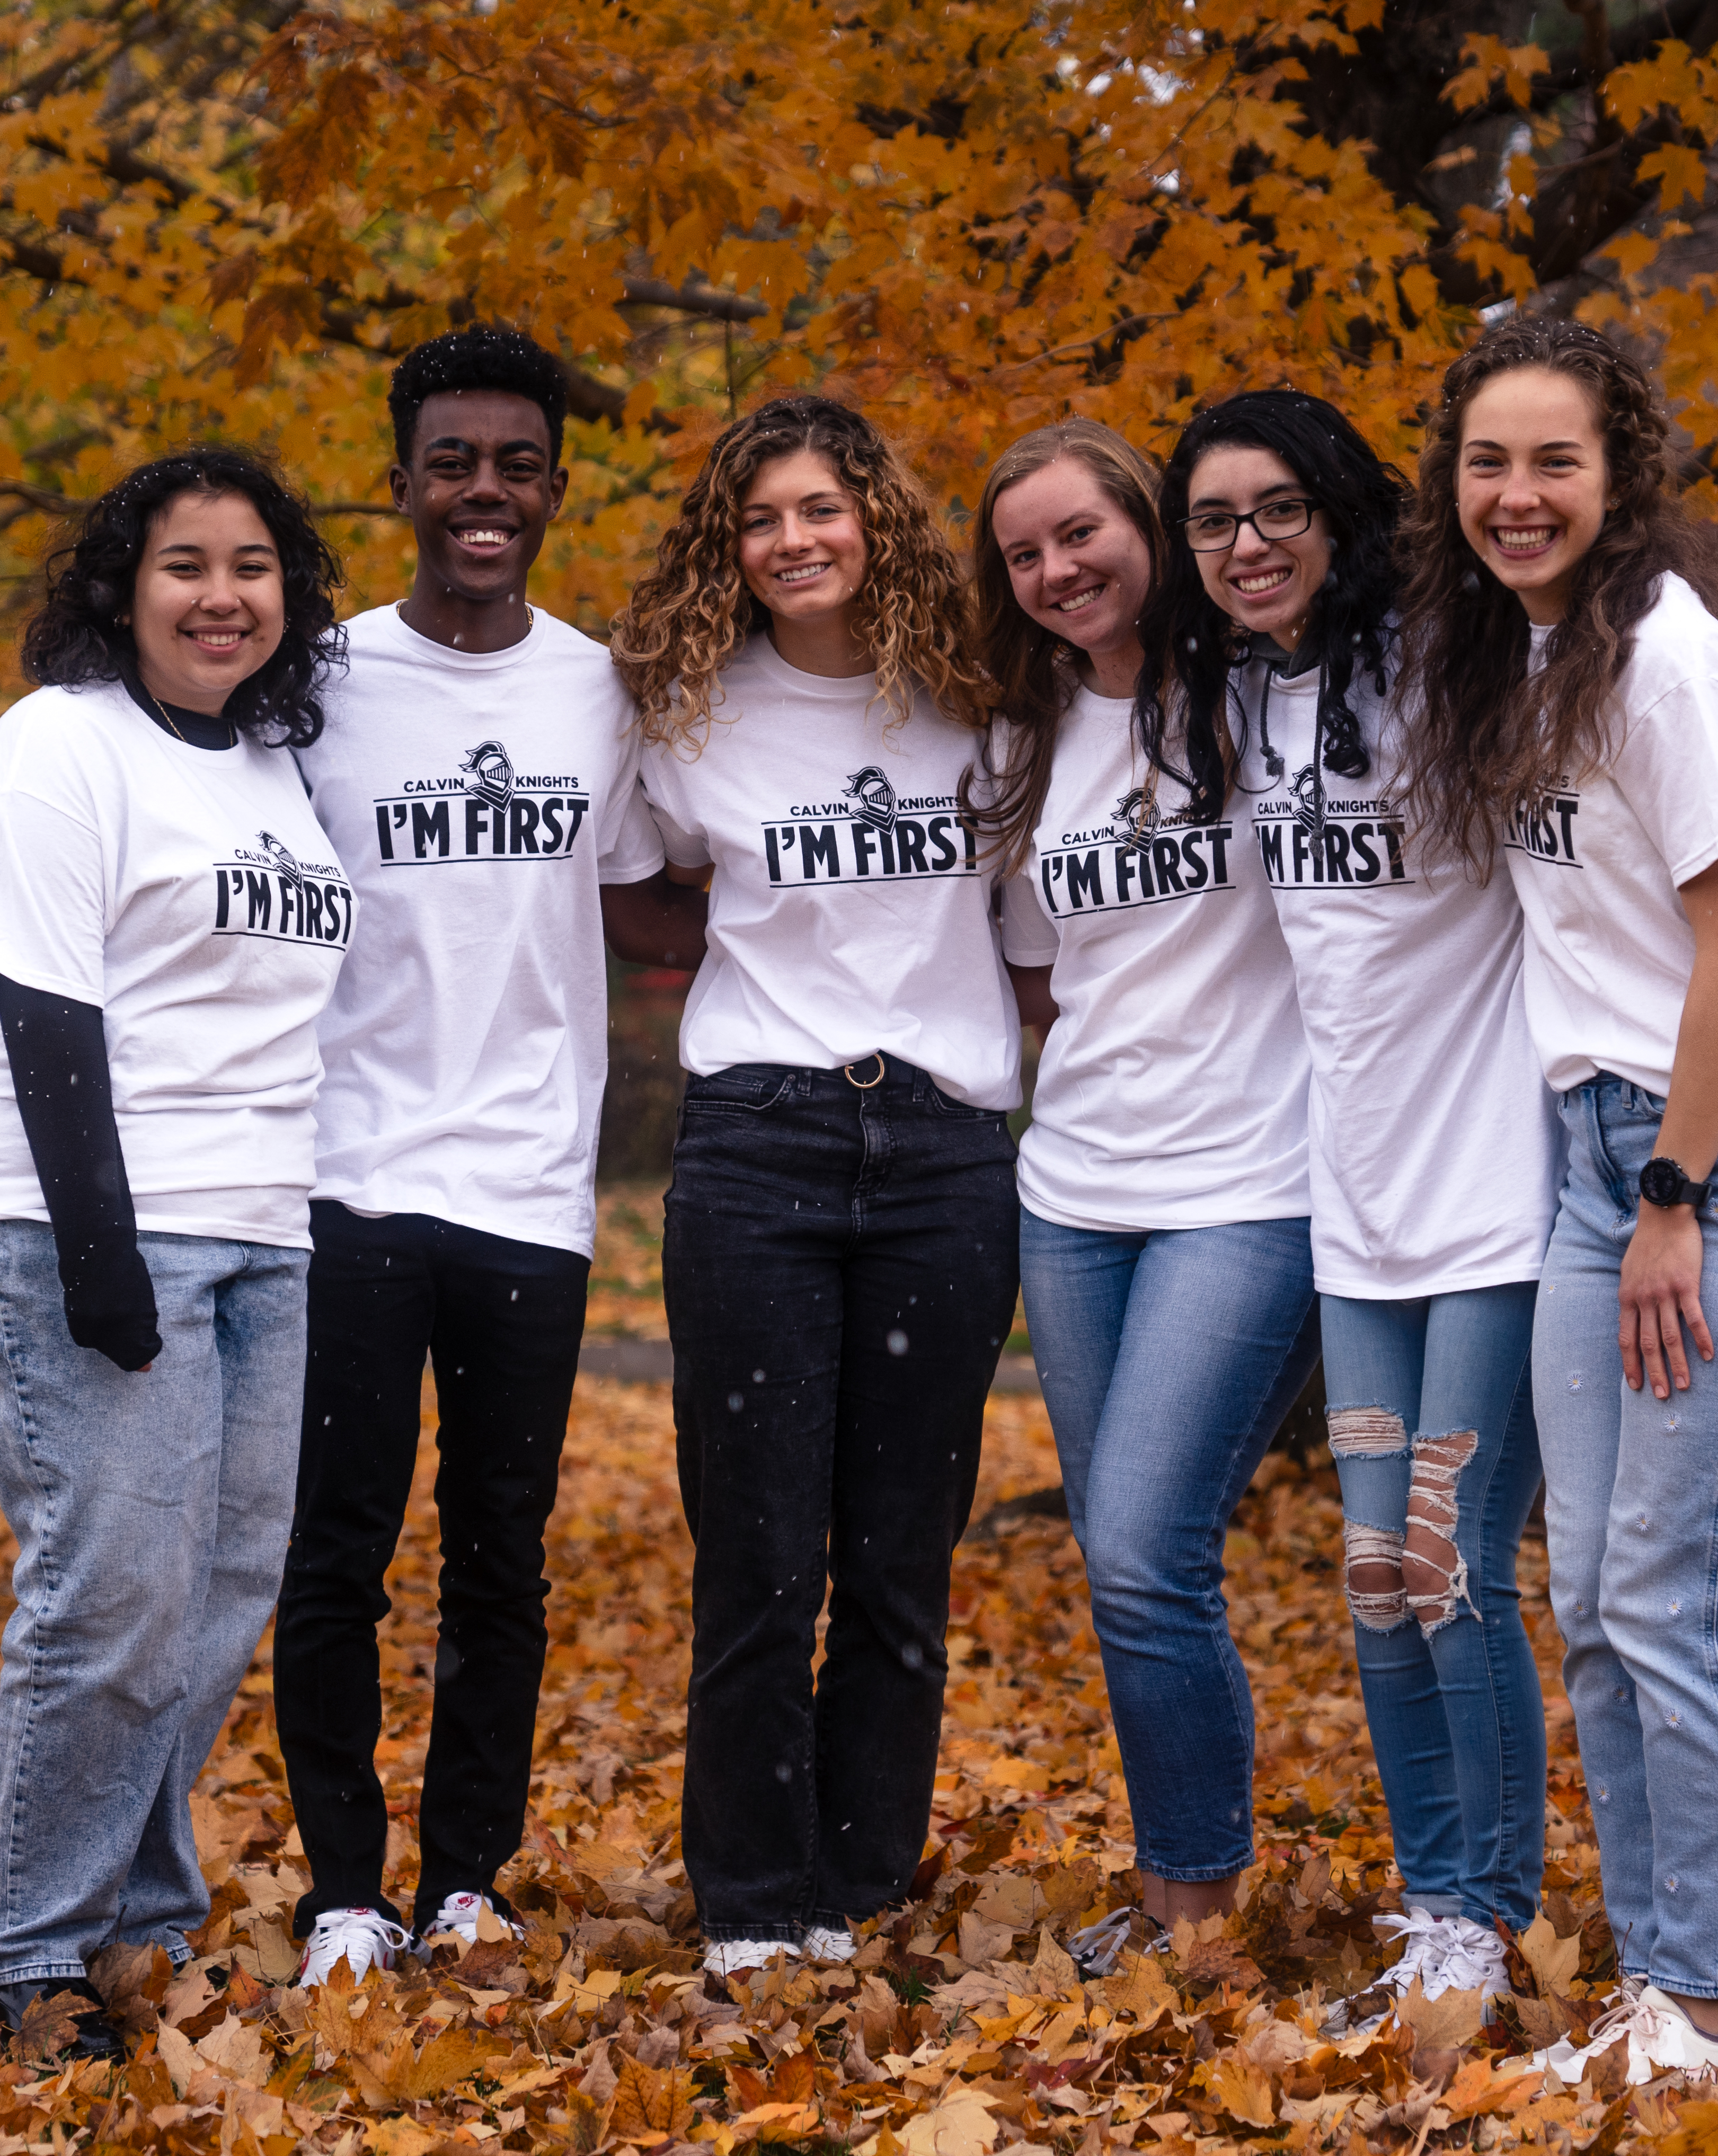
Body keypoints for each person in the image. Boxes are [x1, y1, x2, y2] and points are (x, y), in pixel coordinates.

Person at [1402, 314, 1718, 2085]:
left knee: (1677, 1593)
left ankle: (1707, 2005)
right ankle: (1664, 1985)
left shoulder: (1667, 665)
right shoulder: (1518, 661)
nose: (1516, 495)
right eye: (1486, 462)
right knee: (1597, 1596)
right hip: (1605, 1162)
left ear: (1618, 480)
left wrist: (1672, 1187)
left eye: (1553, 462)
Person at [276, 327, 706, 1991]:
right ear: (401, 480)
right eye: (452, 460)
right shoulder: (315, 683)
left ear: (551, 487)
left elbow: (653, 894)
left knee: (498, 1556)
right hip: (351, 1175)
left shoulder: (597, 691)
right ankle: (339, 1891)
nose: (483, 491)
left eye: (515, 464)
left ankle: (465, 1878)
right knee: (337, 1551)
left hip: (530, 1183)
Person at [0, 445, 354, 2059]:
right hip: (69, 1219)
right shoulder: (57, 745)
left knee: (218, 1594)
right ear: (123, 588)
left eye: (254, 566)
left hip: (256, 1224)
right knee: (108, 1592)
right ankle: (31, 1955)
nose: (223, 595)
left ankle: (143, 1924)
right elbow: (44, 1003)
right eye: (186, 564)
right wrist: (102, 1261)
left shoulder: (266, 770)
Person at [1134, 390, 1560, 2028]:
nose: (1245, 546)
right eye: (1214, 521)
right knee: (1377, 1576)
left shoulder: (1454, 670)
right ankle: (1432, 1899)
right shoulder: (1231, 700)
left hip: (1498, 1203)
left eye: (1277, 511)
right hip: (1358, 1214)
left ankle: (1487, 1913)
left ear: (1341, 514)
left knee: (1452, 1569)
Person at [607, 394, 1018, 1983]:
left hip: (940, 1159)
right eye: (761, 517)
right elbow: (637, 894)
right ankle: (757, 1898)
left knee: (902, 1552)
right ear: (732, 544)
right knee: (761, 1550)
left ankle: (860, 1880)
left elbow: (1031, 936)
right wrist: (747, 972)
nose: (793, 540)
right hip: (758, 1149)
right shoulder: (689, 712)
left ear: (876, 521)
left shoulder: (978, 706)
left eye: (820, 510)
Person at [966, 420, 1319, 1965]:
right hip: (1077, 1192)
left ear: (1147, 528)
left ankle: (1200, 1899)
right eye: (1025, 553)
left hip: (1247, 1184)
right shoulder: (1026, 736)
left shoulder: (1259, 697)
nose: (1057, 570)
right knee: (1129, 1569)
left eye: (1079, 533)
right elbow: (1049, 980)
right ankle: (1176, 1892)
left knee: (1140, 1544)